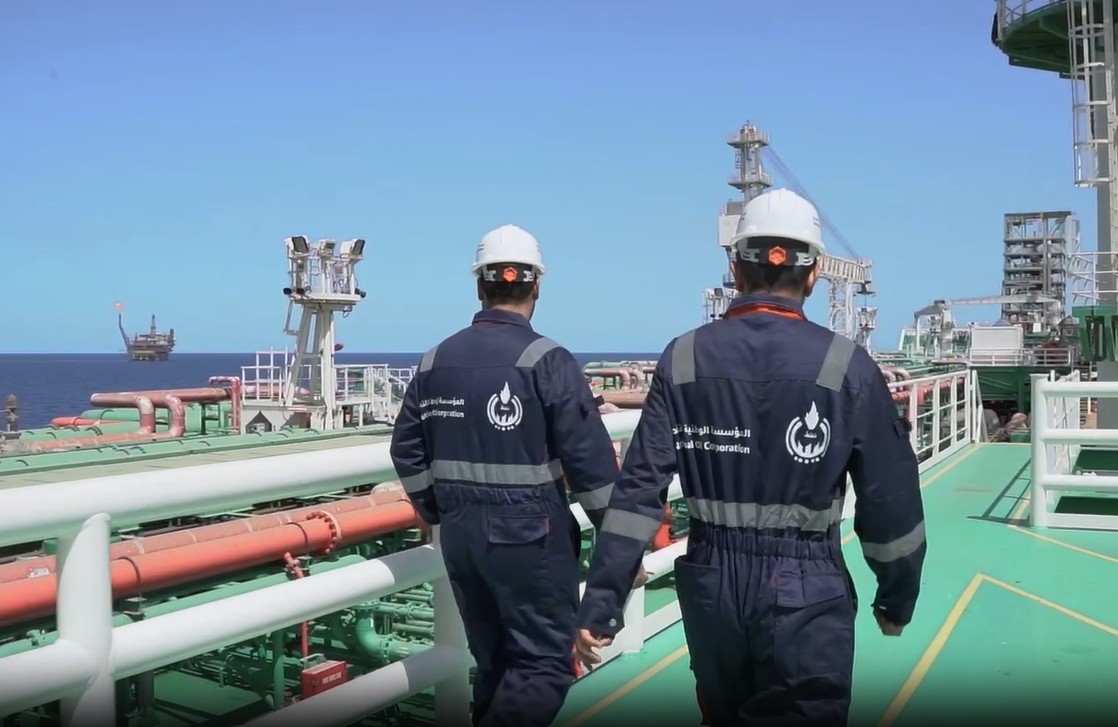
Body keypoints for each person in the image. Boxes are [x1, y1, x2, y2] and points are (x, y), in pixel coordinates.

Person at [573, 189, 926, 726]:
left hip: (711, 586)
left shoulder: (684, 356)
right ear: (813, 277)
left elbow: (639, 488)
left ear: (734, 269)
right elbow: (890, 498)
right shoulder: (846, 364)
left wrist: (602, 602)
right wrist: (895, 597)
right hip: (807, 586)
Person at [389, 224, 621, 727]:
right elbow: (593, 469)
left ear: (479, 286)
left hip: (461, 535)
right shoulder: (548, 360)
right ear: (537, 285)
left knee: (494, 664)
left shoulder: (434, 361)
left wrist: (434, 509)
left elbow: (405, 448)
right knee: (542, 667)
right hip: (529, 538)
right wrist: (620, 544)